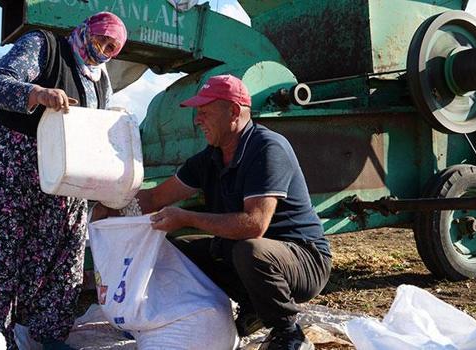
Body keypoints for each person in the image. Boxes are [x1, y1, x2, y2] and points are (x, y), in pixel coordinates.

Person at [94, 75, 331, 350]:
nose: (197, 120)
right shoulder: (210, 158)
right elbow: (156, 197)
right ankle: (249, 307)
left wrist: (186, 218)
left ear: (233, 111)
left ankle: (287, 331)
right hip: (247, 251)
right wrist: (110, 205)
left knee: (251, 251)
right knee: (178, 250)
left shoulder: (267, 149)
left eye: (204, 112)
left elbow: (255, 225)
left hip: (303, 258)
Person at [0, 12, 127, 350]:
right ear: (85, 30)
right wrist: (37, 93)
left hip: (62, 172)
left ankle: (44, 337)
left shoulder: (101, 80)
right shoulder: (45, 46)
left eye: (112, 48)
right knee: (1, 256)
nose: (103, 50)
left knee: (62, 256)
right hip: (11, 163)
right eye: (101, 40)